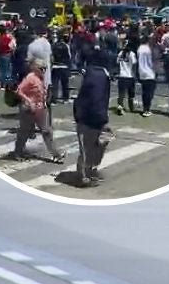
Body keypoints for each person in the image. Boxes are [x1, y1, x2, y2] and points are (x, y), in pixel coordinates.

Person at [73, 54, 112, 186]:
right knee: (93, 147)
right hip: (95, 117)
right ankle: (86, 174)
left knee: (87, 148)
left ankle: (85, 173)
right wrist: (103, 118)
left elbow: (80, 96)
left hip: (85, 116)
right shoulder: (102, 76)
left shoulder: (87, 73)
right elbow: (100, 98)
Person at [12, 58, 61, 163]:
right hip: (29, 109)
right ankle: (18, 152)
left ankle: (56, 154)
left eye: (45, 69)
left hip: (40, 109)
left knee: (47, 131)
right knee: (24, 132)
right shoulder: (30, 78)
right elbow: (19, 90)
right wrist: (28, 100)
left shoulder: (40, 78)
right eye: (41, 68)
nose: (43, 71)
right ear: (34, 68)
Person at [137, 34, 157, 117]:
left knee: (144, 92)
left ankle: (145, 108)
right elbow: (150, 62)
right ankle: (147, 109)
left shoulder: (139, 49)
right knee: (150, 92)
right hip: (149, 73)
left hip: (142, 72)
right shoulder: (148, 49)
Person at [115, 43, 137, 115]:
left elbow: (117, 62)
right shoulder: (131, 54)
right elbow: (134, 64)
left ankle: (120, 107)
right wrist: (135, 75)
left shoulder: (120, 53)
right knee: (131, 94)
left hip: (121, 76)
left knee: (121, 94)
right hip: (130, 76)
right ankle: (131, 108)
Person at [51, 33, 72, 102]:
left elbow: (52, 56)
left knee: (55, 84)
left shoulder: (53, 46)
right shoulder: (66, 46)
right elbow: (69, 56)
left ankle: (54, 99)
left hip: (55, 66)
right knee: (65, 84)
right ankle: (65, 98)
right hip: (64, 66)